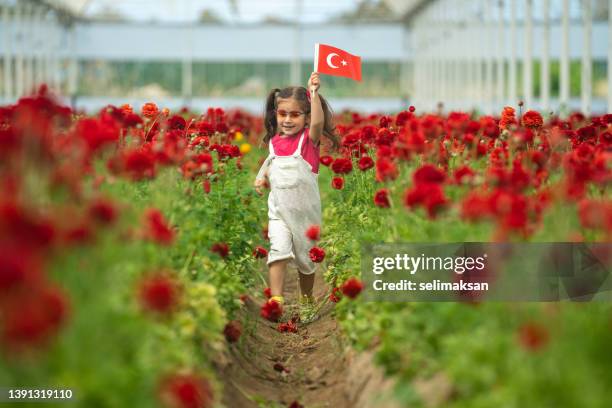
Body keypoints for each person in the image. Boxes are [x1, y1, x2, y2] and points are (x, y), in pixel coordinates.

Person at [254, 72, 338, 323]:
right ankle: (276, 300)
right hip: (279, 211)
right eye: (283, 114)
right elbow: (271, 163)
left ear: (306, 117)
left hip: (305, 216)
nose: (288, 120)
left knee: (305, 260)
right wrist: (261, 178)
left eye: (295, 114)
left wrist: (313, 93)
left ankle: (306, 298)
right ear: (275, 115)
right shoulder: (274, 142)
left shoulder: (308, 142)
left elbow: (318, 126)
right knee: (277, 251)